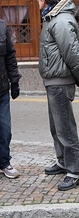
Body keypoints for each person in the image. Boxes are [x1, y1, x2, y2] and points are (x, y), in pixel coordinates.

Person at [31, 0, 79, 191]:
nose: (36, 3)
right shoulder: (53, 18)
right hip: (53, 81)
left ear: (43, 0)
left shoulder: (61, 21)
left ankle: (75, 172)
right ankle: (63, 162)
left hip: (60, 82)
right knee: (56, 127)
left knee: (65, 129)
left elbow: (73, 55)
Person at [0, 19, 21, 179]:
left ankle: (4, 162)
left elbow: (10, 55)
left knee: (5, 129)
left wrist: (14, 81)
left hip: (2, 89)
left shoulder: (1, 26)